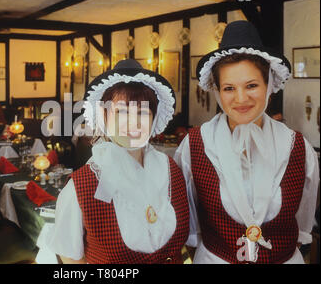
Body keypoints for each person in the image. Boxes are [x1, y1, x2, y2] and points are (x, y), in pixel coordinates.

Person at [174, 21, 319, 264]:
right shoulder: (196, 144)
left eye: (251, 85)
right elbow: (187, 215)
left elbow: (304, 217)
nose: (241, 99)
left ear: (269, 86)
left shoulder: (296, 146)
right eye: (229, 88)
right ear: (218, 91)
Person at [42, 59, 189, 264]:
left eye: (142, 112)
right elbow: (72, 261)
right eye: (121, 112)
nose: (133, 123)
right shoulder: (81, 186)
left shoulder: (171, 170)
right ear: (104, 117)